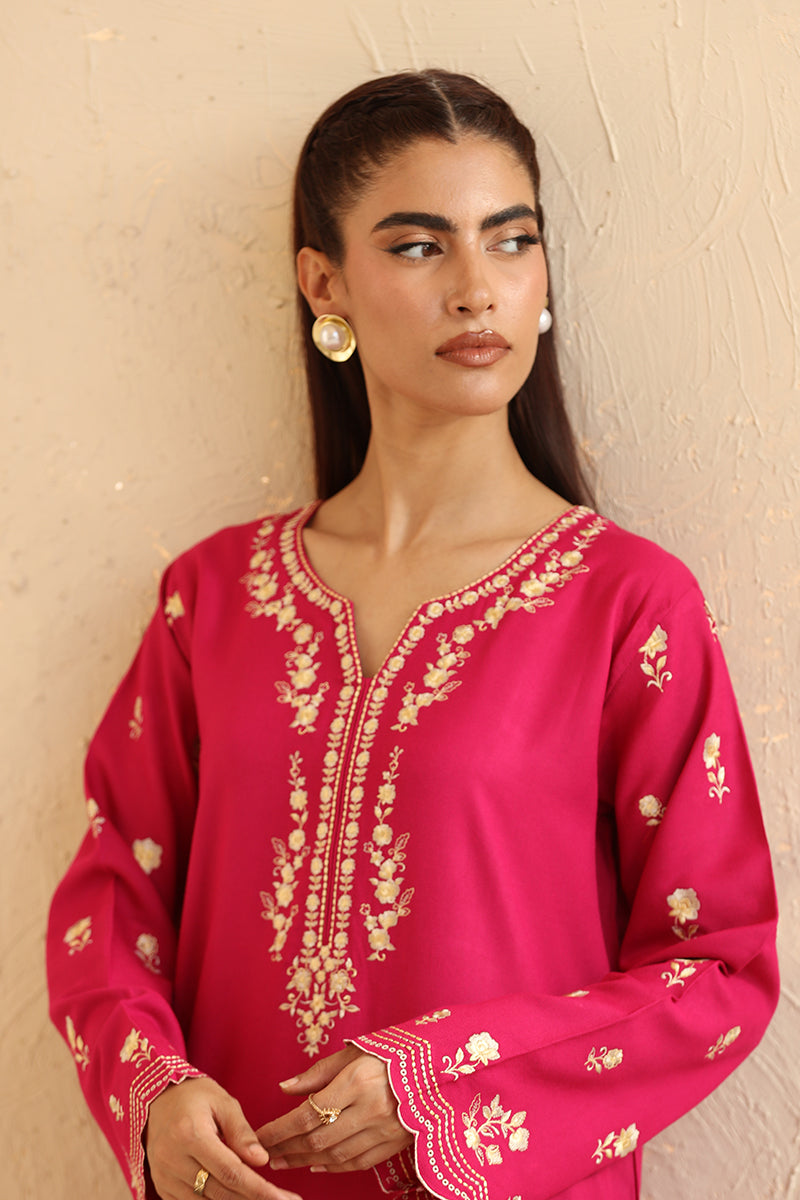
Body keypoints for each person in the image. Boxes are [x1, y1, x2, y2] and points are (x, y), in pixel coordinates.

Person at [47, 69, 779, 1200]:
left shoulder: (627, 605)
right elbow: (112, 896)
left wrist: (444, 1083)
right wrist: (151, 1092)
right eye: (418, 246)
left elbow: (715, 969)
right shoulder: (217, 599)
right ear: (322, 282)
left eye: (510, 239)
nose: (477, 290)